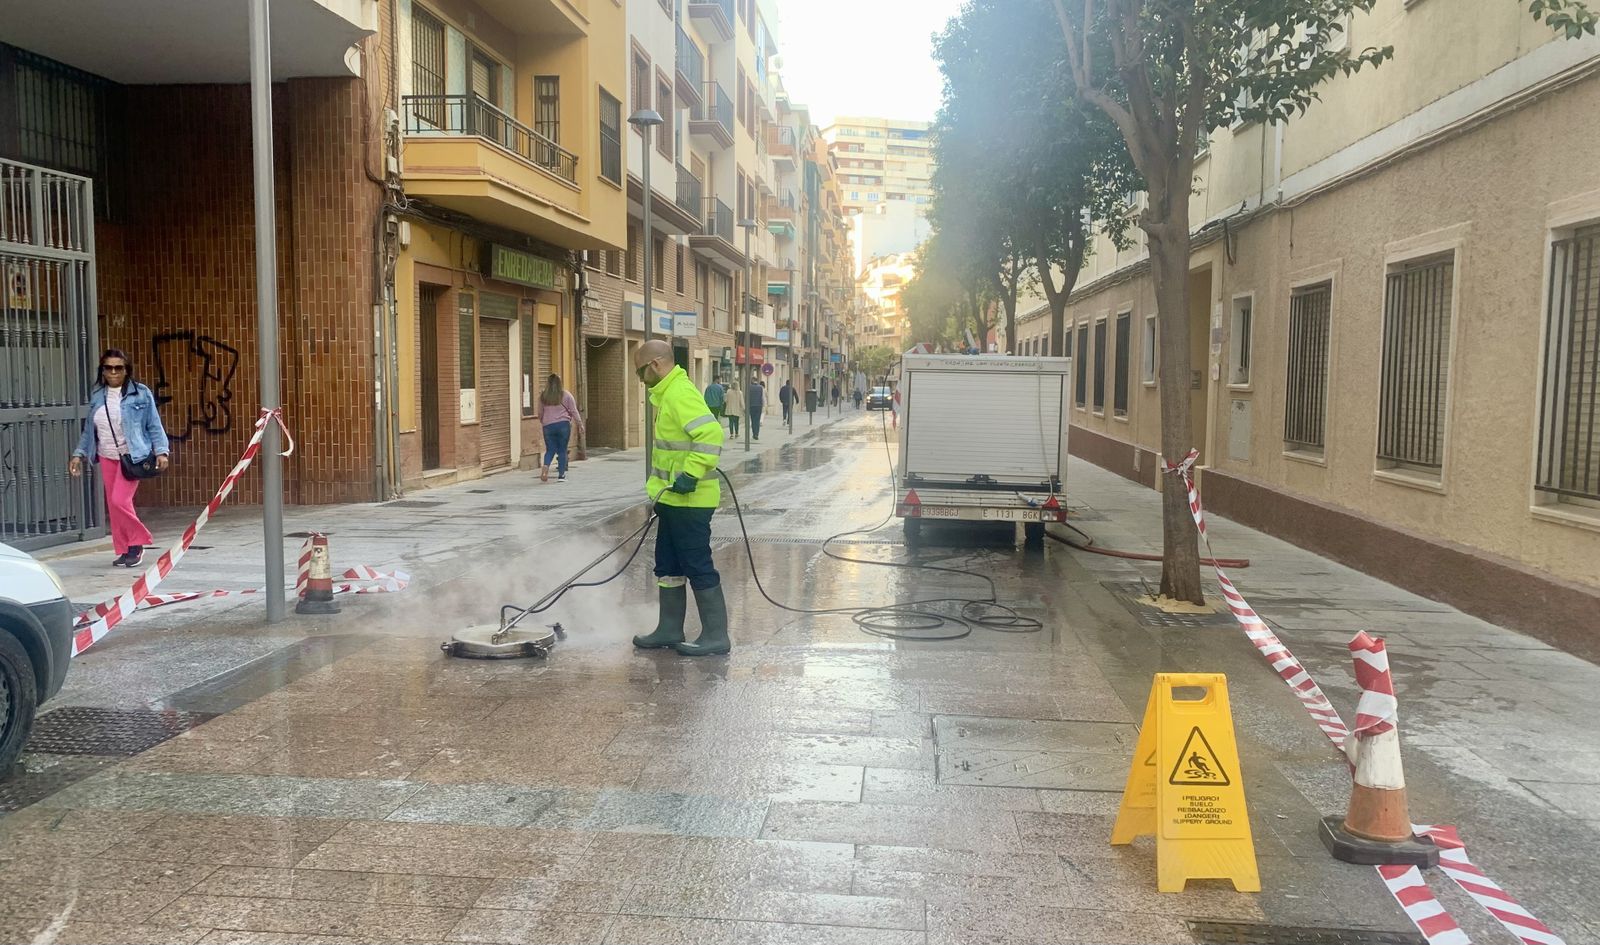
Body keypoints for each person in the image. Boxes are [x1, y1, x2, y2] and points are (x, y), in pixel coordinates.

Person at [630, 339, 731, 657]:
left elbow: (711, 433)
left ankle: (716, 635)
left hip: (692, 501)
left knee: (697, 564)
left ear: (655, 365)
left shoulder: (680, 393)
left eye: (640, 372)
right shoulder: (667, 395)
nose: (640, 379)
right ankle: (669, 629)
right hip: (672, 501)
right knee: (668, 566)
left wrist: (691, 473)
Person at [69, 349, 170, 568]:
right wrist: (79, 454)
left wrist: (162, 451)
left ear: (126, 370)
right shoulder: (98, 396)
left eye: (118, 368)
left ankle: (138, 542)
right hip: (106, 456)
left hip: (131, 457)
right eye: (108, 368)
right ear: (102, 370)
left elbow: (154, 424)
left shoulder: (141, 393)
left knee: (119, 501)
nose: (113, 372)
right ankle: (124, 549)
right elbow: (89, 431)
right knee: (114, 507)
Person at [538, 374, 583, 483]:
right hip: (563, 425)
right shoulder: (567, 395)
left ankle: (545, 467)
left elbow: (540, 412)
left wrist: (543, 421)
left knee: (550, 450)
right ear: (560, 383)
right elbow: (573, 410)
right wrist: (580, 423)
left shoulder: (543, 396)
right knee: (562, 450)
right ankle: (561, 476)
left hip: (548, 426)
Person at [746, 376, 765, 440]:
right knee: (757, 420)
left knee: (753, 420)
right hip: (758, 406)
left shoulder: (749, 387)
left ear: (752, 380)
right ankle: (756, 434)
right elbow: (762, 397)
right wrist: (763, 405)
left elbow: (747, 397)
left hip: (751, 405)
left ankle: (754, 433)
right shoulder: (760, 388)